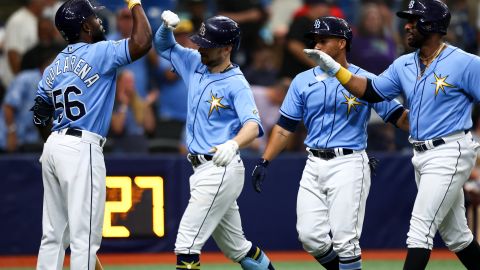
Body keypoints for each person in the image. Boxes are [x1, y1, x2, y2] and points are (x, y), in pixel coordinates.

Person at [303, 1, 480, 269]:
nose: (406, 25)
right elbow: (371, 91)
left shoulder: (466, 63)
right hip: (422, 153)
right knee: (457, 237)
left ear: (431, 25)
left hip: (451, 149)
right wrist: (337, 70)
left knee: (419, 230)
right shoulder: (404, 63)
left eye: (414, 20)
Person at [252, 16, 408, 270]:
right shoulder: (302, 80)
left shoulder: (364, 80)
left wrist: (432, 123)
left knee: (345, 242)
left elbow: (399, 117)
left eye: (324, 40)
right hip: (313, 162)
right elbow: (284, 128)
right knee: (310, 237)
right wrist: (264, 160)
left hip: (349, 162)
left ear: (342, 43)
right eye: (315, 41)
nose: (317, 46)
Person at [32, 0, 152, 269]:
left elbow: (39, 113)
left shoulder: (53, 66)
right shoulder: (100, 52)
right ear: (85, 26)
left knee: (53, 235)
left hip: (54, 144)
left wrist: (55, 141)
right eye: (94, 19)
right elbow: (143, 41)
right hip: (81, 145)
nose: (100, 21)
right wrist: (134, 4)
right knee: (84, 236)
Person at [154, 11, 275, 270]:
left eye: (208, 45)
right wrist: (166, 28)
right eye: (201, 42)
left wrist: (233, 144)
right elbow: (163, 46)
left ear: (228, 48)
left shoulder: (237, 83)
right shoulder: (194, 62)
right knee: (238, 248)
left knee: (187, 244)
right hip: (201, 168)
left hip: (220, 168)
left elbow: (253, 126)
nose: (201, 48)